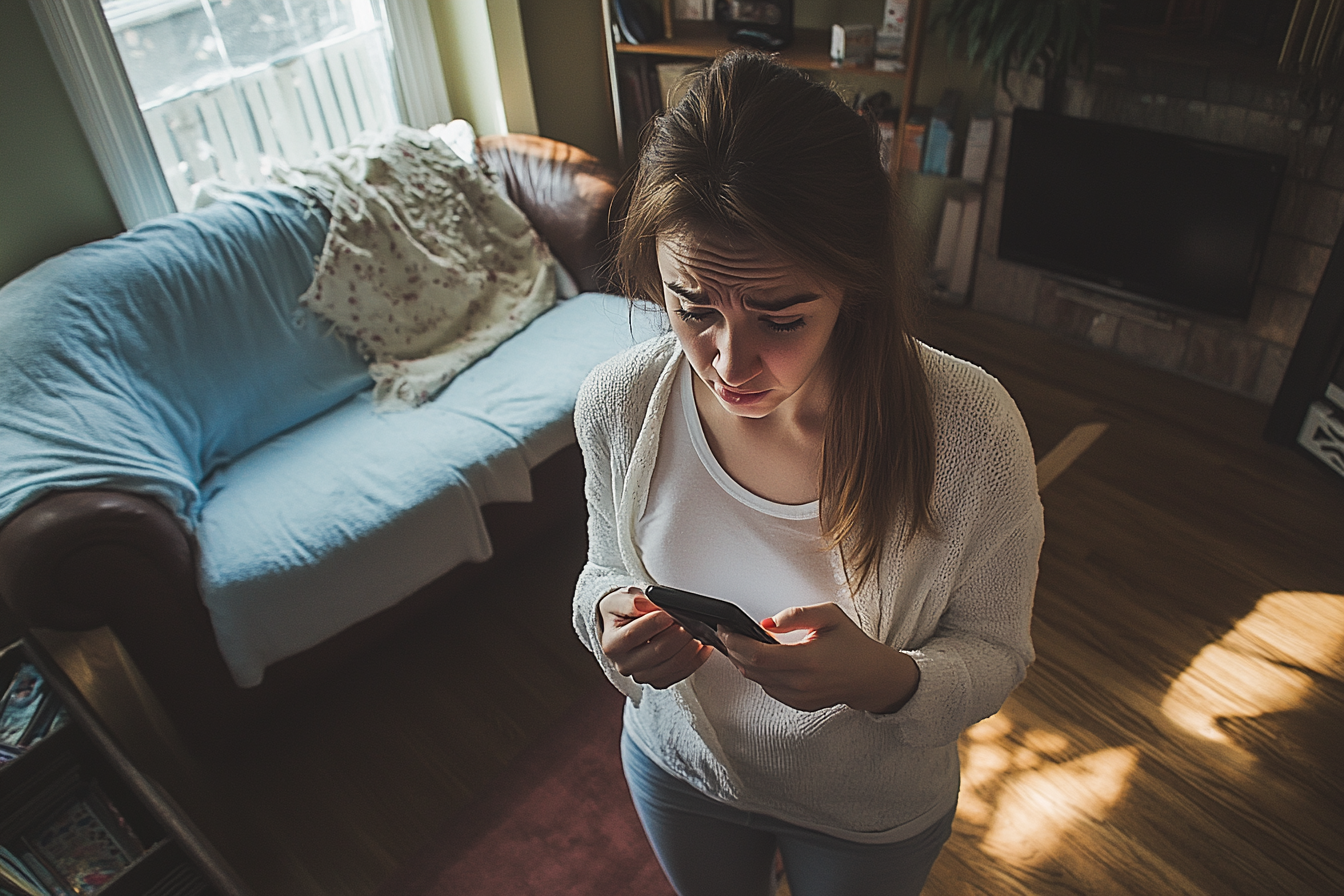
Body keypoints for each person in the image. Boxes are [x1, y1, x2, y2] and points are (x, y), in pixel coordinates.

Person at [572, 50, 1043, 896]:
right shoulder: (621, 402)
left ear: (853, 285)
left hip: (869, 814)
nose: (728, 360)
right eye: (693, 307)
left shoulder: (970, 431)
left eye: (780, 317)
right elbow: (604, 566)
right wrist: (607, 612)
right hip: (681, 772)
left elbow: (998, 653)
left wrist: (889, 679)